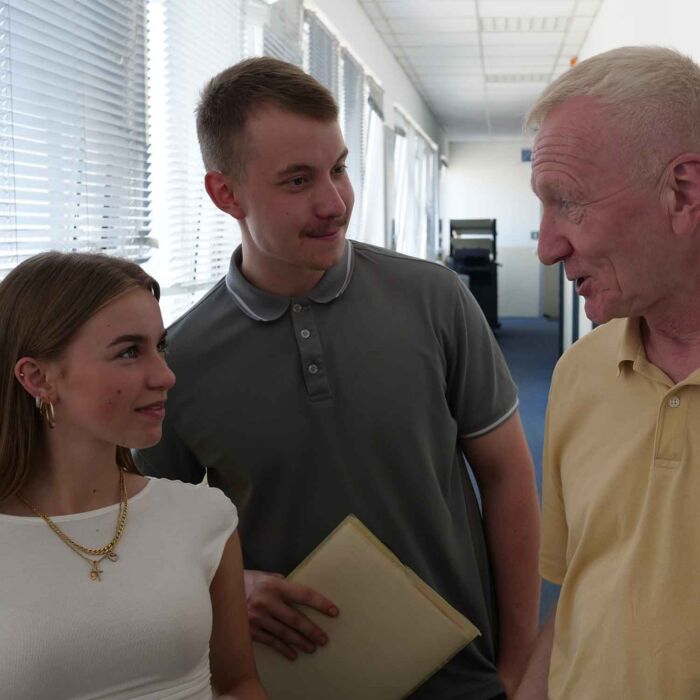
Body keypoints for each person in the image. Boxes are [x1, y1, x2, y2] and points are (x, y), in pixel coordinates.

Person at [137, 56, 540, 699]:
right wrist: (227, 585)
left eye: (340, 168)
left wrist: (517, 667)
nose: (335, 203)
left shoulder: (435, 299)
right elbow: (154, 540)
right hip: (293, 684)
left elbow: (508, 477)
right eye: (298, 180)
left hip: (465, 677)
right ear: (225, 194)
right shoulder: (175, 362)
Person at [515, 46, 700, 700]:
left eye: (567, 202)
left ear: (683, 192)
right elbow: (579, 591)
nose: (546, 247)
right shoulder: (579, 372)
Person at [0, 252, 266, 700]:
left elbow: (238, 684)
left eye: (160, 347)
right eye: (128, 352)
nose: (165, 376)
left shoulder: (203, 517)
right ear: (38, 378)